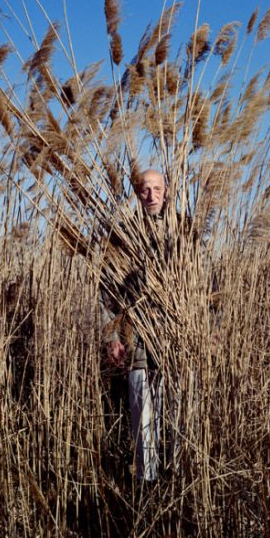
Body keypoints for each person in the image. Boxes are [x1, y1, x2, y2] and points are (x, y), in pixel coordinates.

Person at [100, 169, 173, 482]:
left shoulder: (181, 231)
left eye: (157, 189)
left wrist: (208, 328)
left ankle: (176, 482)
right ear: (136, 193)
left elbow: (204, 286)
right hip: (137, 340)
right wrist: (111, 336)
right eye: (145, 190)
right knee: (142, 420)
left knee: (178, 418)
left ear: (166, 191)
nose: (152, 196)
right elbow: (106, 291)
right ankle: (148, 486)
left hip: (176, 340)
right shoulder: (124, 236)